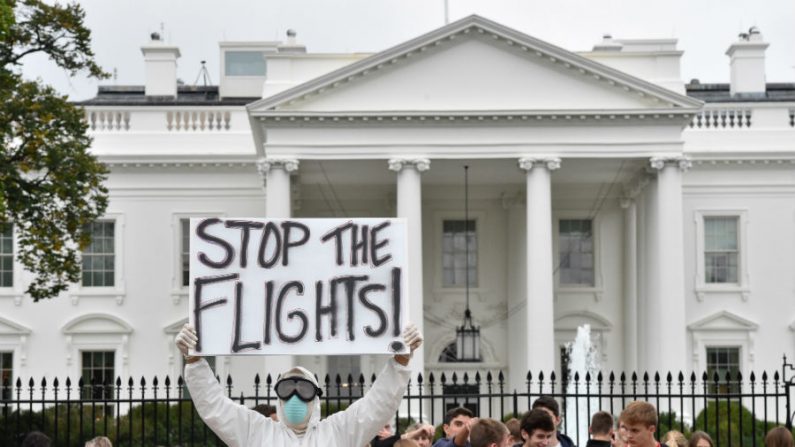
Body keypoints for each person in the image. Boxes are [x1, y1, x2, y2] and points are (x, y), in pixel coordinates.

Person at [175, 322, 423, 447]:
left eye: (303, 389)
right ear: (278, 398)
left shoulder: (337, 432)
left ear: (315, 397)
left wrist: (401, 360)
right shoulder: (257, 431)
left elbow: (378, 405)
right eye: (287, 389)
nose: (294, 397)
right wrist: (194, 361)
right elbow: (215, 408)